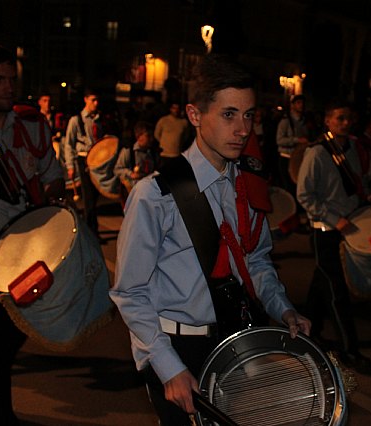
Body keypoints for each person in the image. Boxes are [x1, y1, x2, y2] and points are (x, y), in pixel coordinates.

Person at [109, 53, 311, 425]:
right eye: (229, 114)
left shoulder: (247, 187)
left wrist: (283, 308)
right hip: (175, 345)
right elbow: (130, 293)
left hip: (232, 341)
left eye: (249, 115)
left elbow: (257, 260)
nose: (243, 129)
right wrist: (169, 368)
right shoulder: (156, 195)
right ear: (195, 114)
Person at [0, 43, 64, 426]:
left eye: (12, 79)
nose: (8, 87)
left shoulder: (32, 128)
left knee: (26, 326)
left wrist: (50, 197)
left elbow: (53, 178)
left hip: (22, 248)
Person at [296, 99, 371, 373]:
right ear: (328, 121)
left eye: (349, 118)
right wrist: (334, 218)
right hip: (326, 230)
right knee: (337, 292)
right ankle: (349, 349)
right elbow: (304, 195)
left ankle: (308, 331)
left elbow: (356, 184)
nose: (346, 123)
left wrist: (367, 197)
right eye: (340, 118)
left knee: (322, 284)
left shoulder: (352, 150)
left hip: (348, 227)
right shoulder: (317, 153)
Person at [63, 88, 104, 237]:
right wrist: (70, 165)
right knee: (88, 197)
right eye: (93, 100)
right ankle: (90, 229)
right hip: (83, 159)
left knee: (94, 195)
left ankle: (91, 227)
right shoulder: (76, 120)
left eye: (97, 100)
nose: (96, 103)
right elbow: (69, 144)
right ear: (85, 100)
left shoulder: (98, 120)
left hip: (96, 161)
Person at [114, 120, 159, 200]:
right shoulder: (128, 152)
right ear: (139, 137)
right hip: (135, 190)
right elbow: (117, 169)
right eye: (148, 136)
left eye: (152, 136)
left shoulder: (152, 152)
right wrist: (130, 174)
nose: (151, 139)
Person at [276, 94, 311, 194]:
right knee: (288, 187)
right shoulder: (285, 121)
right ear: (293, 105)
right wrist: (297, 140)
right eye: (298, 103)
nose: (301, 105)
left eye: (303, 103)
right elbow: (279, 140)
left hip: (299, 158)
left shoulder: (305, 121)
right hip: (287, 158)